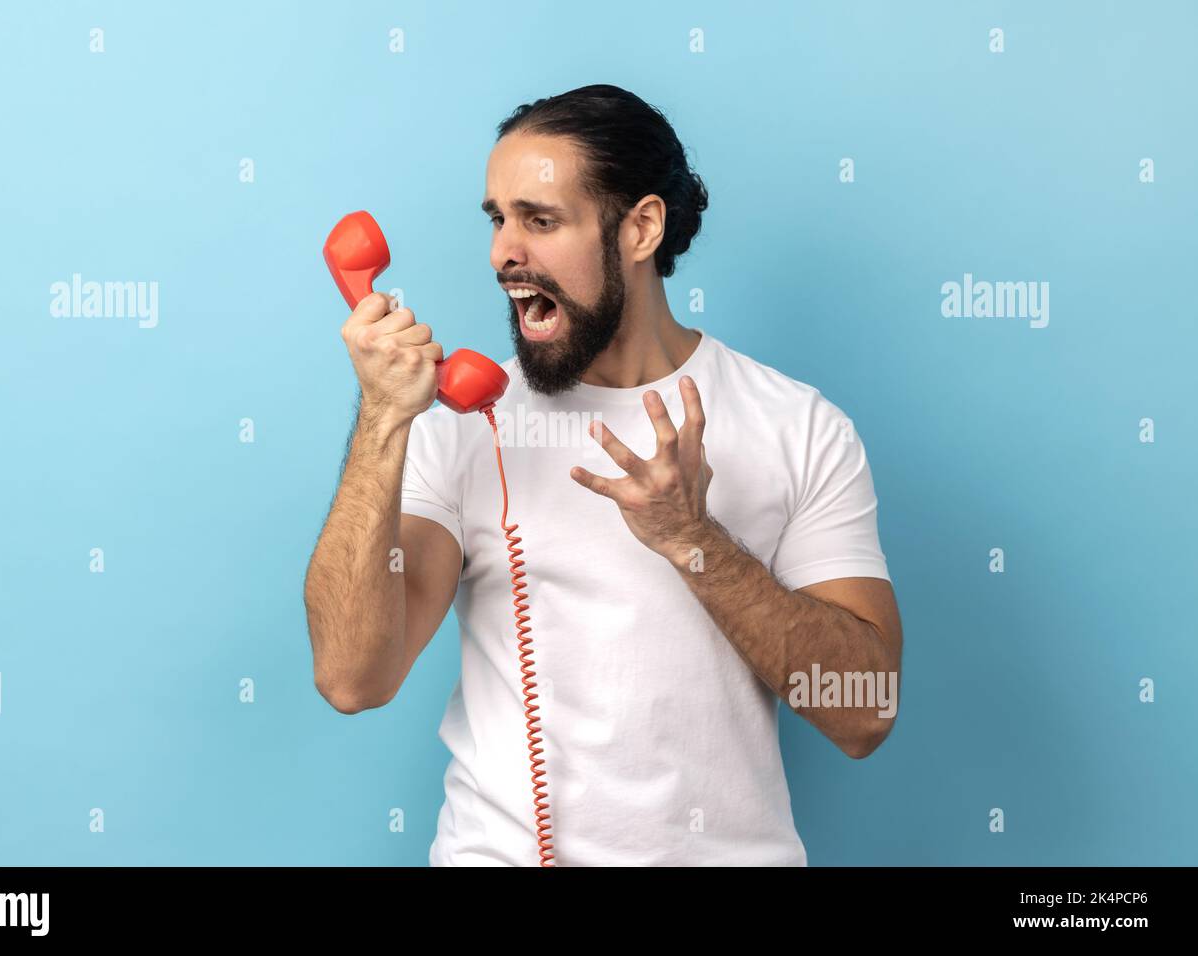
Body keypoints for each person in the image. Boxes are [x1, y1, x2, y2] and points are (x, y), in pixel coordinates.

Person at [304, 84, 903, 866]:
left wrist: (694, 541)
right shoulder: (459, 426)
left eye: (540, 220)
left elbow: (863, 714)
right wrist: (384, 418)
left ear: (641, 228)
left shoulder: (798, 425)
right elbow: (353, 677)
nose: (502, 253)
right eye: (497, 218)